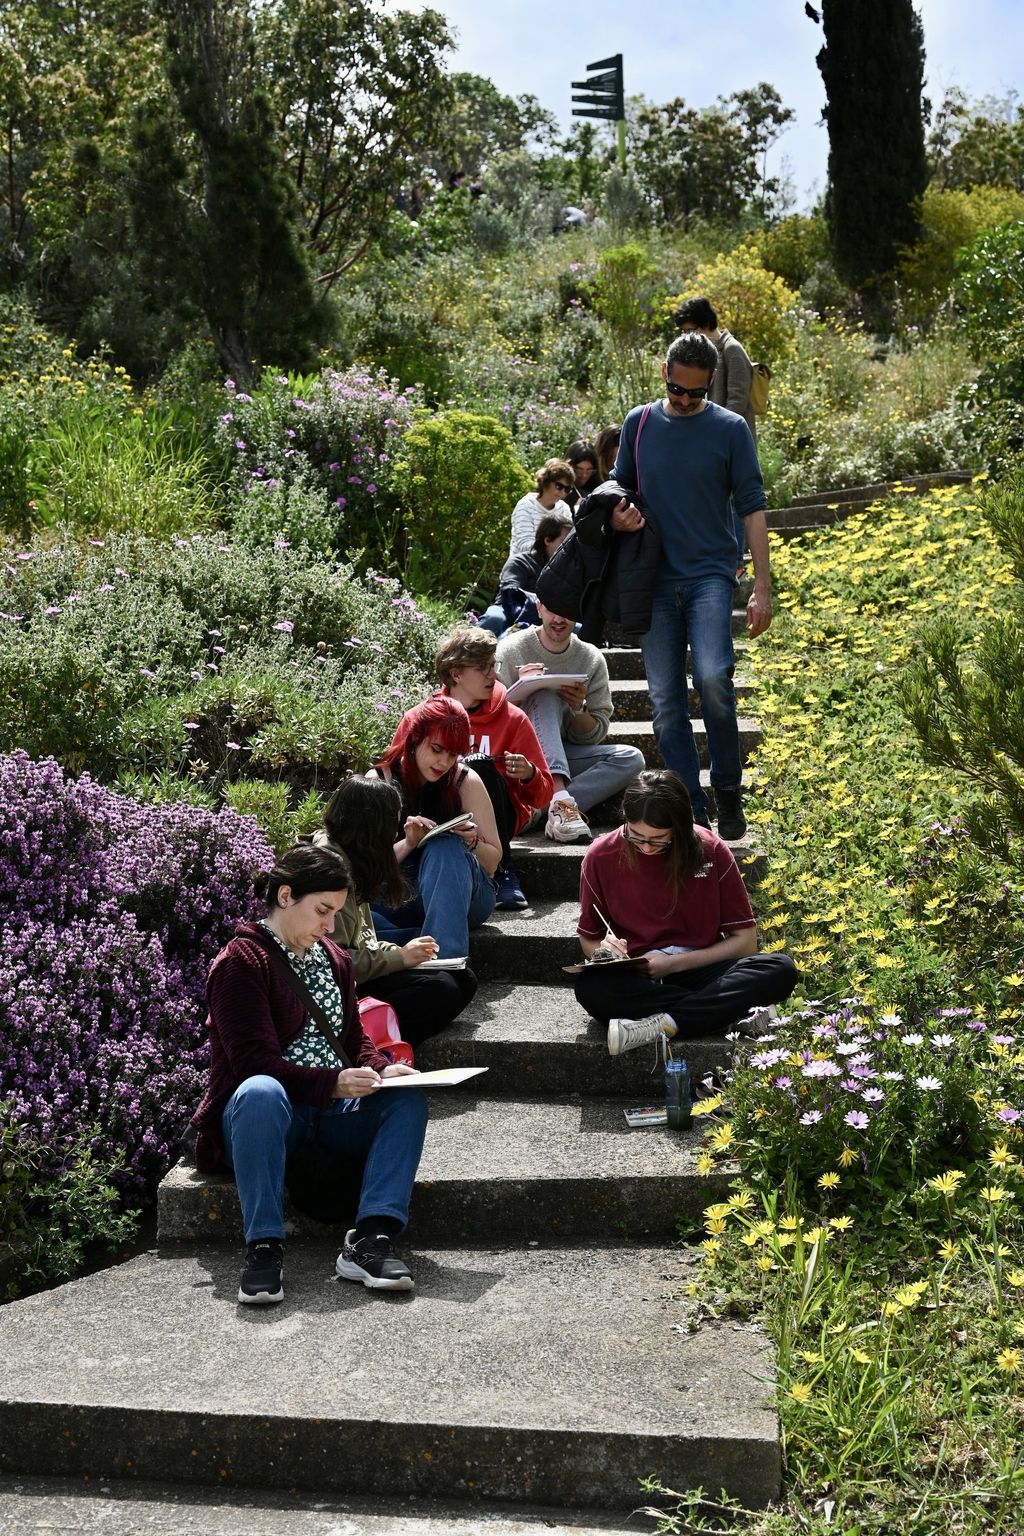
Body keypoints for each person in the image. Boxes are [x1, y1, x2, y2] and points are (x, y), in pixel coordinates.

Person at [190, 843, 429, 1304]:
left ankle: (371, 1239)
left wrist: (382, 1067)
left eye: (336, 913)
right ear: (285, 897)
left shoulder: (334, 959)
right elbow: (252, 1065)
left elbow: (352, 1038)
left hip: (332, 1111)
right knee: (260, 1091)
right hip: (272, 1118)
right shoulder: (240, 963)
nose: (330, 925)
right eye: (323, 910)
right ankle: (263, 1247)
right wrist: (332, 1083)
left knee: (407, 1097)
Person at [612, 331, 773, 841]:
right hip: (653, 579)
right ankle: (691, 806)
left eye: (695, 393)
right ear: (665, 370)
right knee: (664, 701)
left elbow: (751, 506)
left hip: (708, 575)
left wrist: (762, 586)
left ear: (709, 386)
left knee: (712, 679)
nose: (683, 400)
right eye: (676, 388)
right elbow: (619, 490)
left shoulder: (729, 429)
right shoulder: (638, 423)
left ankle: (728, 788)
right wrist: (616, 519)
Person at [572, 771, 798, 1056]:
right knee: (591, 988)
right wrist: (607, 952)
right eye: (635, 836)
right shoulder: (600, 855)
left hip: (701, 966)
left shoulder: (710, 849)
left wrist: (674, 963)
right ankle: (724, 1013)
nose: (644, 847)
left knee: (779, 969)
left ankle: (664, 1024)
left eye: (658, 840)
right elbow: (589, 939)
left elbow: (745, 942)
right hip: (639, 974)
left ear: (679, 829)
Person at [386, 627, 554, 910]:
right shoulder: (420, 718)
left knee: (475, 765)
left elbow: (543, 797)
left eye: (493, 665)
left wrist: (530, 774)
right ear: (456, 674)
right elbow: (397, 772)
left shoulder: (513, 718)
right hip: (432, 813)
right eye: (482, 668)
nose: (493, 675)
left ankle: (501, 870)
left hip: (496, 821)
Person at [313, 776, 478, 1046]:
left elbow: (364, 940)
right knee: (441, 989)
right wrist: (399, 957)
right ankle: (364, 1043)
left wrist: (403, 952)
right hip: (336, 990)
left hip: (358, 975)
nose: (395, 833)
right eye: (391, 823)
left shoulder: (354, 859)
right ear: (371, 826)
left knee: (462, 978)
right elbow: (335, 963)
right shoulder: (331, 871)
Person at [495, 599, 645, 842]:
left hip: (564, 752)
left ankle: (542, 807)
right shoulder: (511, 649)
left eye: (567, 610)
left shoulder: (591, 657)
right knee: (542, 696)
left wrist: (577, 709)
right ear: (539, 607)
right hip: (518, 756)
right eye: (552, 609)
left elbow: (597, 732)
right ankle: (562, 805)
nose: (558, 619)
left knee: (631, 758)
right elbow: (490, 717)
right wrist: (520, 692)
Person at [369, 696, 501, 955]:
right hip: (398, 895)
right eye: (437, 749)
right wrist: (409, 843)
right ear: (415, 738)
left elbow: (493, 864)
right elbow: (365, 869)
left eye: (453, 754)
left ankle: (444, 961)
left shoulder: (465, 780)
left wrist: (470, 842)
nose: (444, 762)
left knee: (444, 846)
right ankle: (424, 941)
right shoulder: (379, 781)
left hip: (463, 894)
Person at [677, 295, 758, 572]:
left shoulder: (731, 349)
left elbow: (737, 399)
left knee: (735, 501)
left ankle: (736, 561)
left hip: (731, 441)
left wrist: (713, 431)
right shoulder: (710, 353)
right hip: (712, 440)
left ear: (702, 324)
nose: (687, 336)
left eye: (689, 329)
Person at [476, 511, 572, 637]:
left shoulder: (569, 569)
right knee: (493, 619)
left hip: (551, 617)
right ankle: (464, 653)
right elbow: (511, 591)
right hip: (509, 610)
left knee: (581, 630)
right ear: (548, 540)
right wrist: (542, 601)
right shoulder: (519, 561)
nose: (570, 547)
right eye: (565, 542)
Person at [508, 459, 575, 558]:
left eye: (567, 489)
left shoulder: (564, 508)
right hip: (524, 567)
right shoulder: (526, 505)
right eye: (559, 486)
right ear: (546, 481)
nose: (562, 493)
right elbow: (524, 546)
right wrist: (552, 545)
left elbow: (569, 541)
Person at [565, 441, 598, 509]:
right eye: (579, 470)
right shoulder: (561, 488)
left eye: (589, 470)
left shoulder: (597, 490)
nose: (584, 475)